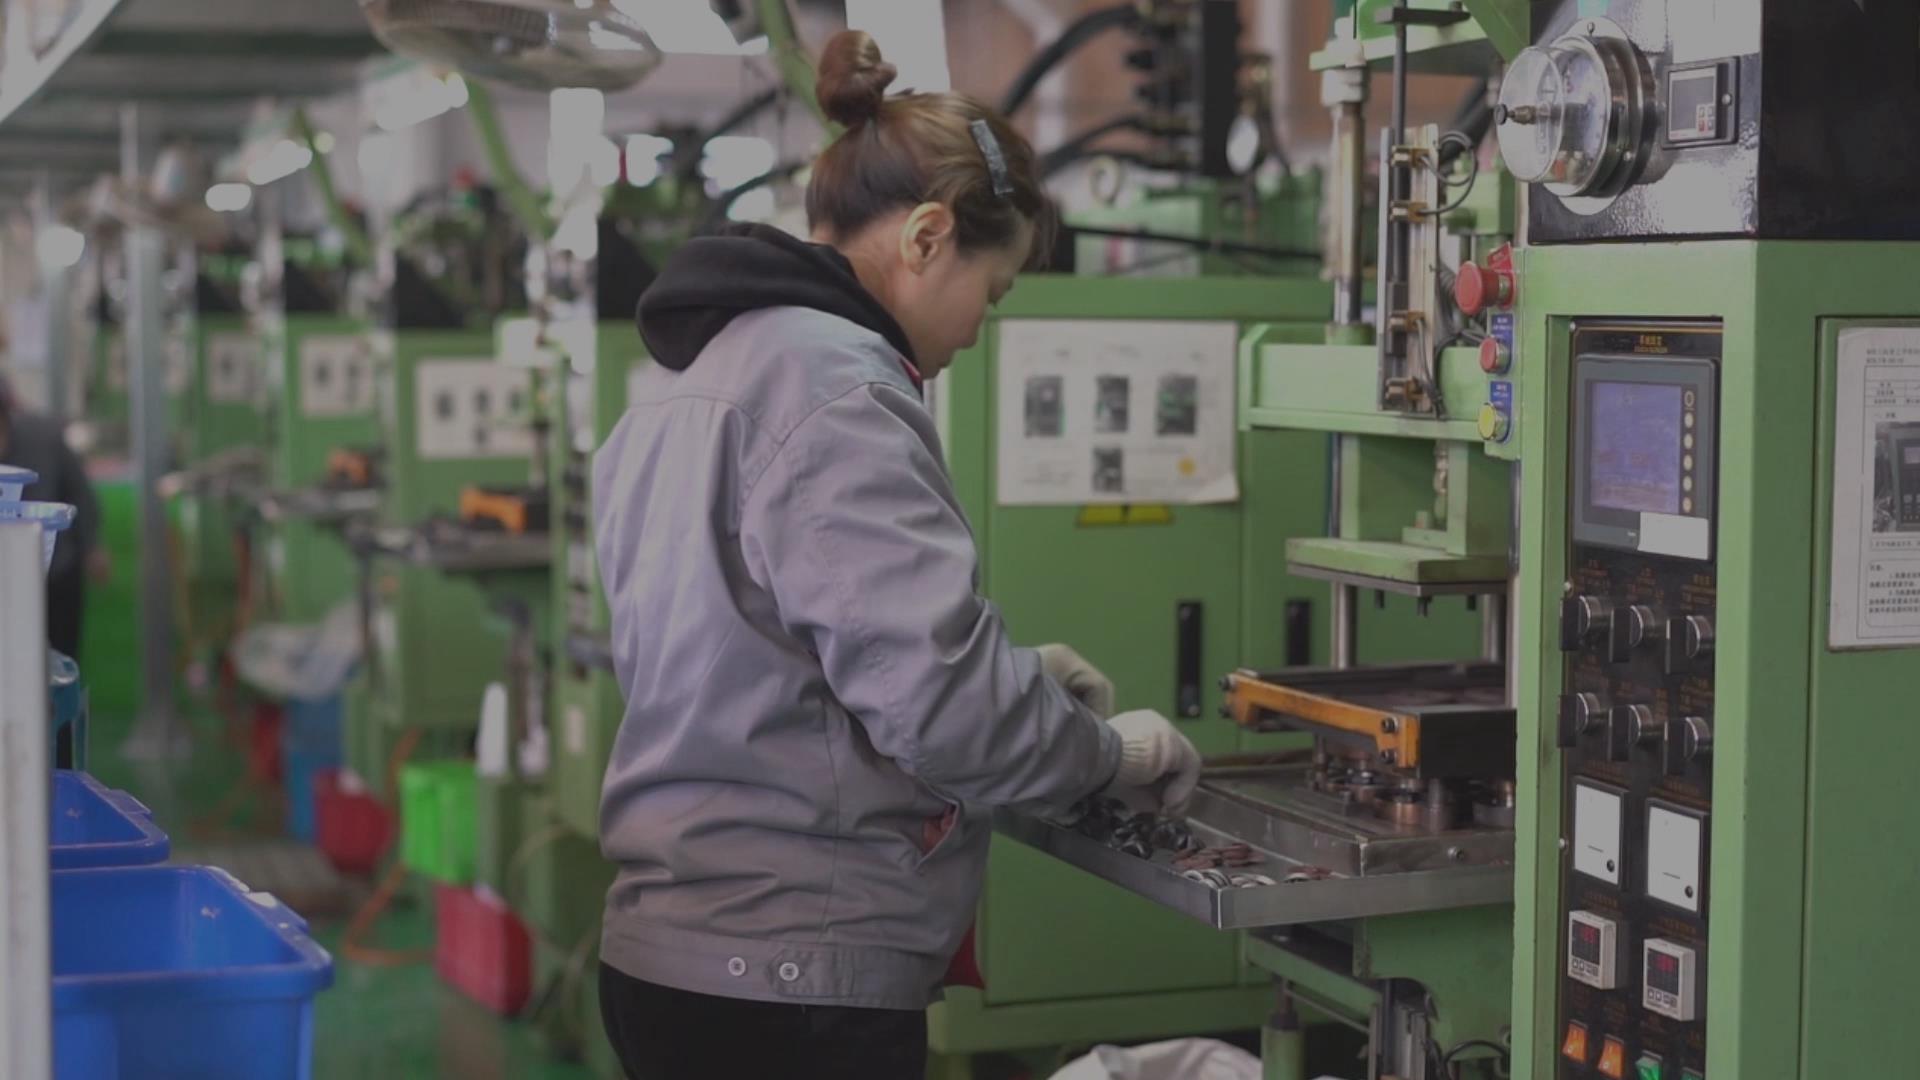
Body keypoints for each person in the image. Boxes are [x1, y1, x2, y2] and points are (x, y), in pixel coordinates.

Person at [591, 30, 1203, 1080]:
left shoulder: (690, 380)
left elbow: (772, 662)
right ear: (927, 237)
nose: (977, 332)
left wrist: (1020, 681)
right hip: (789, 978)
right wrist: (1109, 754)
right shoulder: (839, 388)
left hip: (674, 954)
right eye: (991, 292)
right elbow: (943, 710)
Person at [0, 370, 102, 660]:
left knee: (60, 656)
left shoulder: (45, 440)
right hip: (8, 580)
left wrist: (92, 546)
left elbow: (80, 492)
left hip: (56, 571)